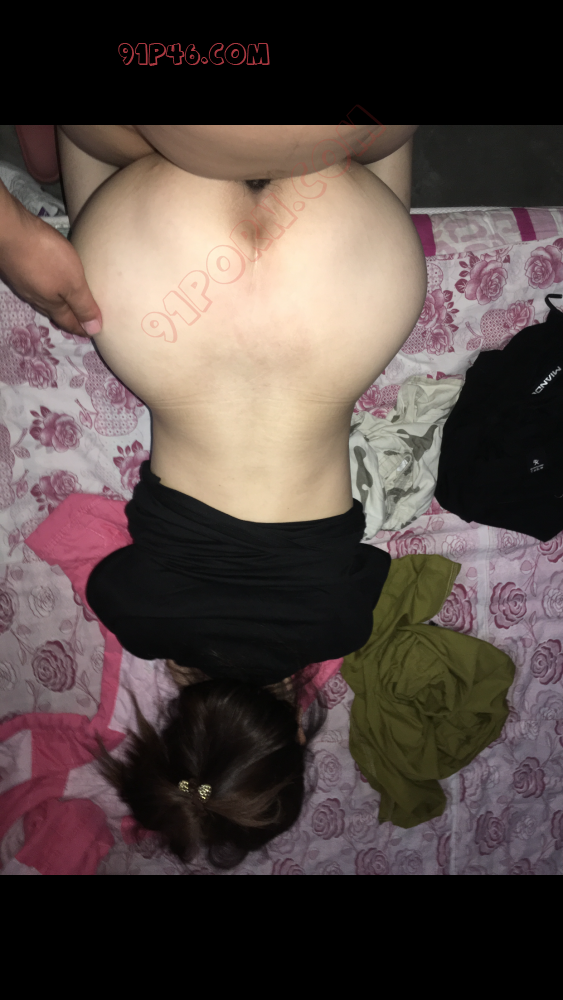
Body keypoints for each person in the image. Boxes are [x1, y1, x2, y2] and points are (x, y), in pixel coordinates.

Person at [12, 127, 427, 868]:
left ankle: (364, 144)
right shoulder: (138, 617)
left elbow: (364, 562)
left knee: (369, 175)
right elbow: (91, 547)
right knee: (101, 158)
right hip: (168, 292)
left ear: (293, 733)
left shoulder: (344, 622)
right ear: (175, 724)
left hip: (339, 287)